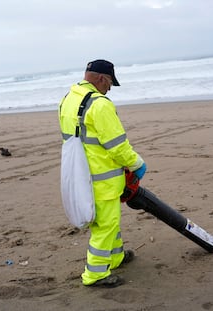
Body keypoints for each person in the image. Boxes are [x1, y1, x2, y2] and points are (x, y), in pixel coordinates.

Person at [58, 59, 147, 288]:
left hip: (83, 175)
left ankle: (115, 257)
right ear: (101, 79)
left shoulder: (69, 99)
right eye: (110, 83)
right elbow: (117, 145)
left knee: (110, 221)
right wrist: (137, 164)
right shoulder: (100, 105)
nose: (109, 89)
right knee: (105, 226)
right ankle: (96, 274)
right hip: (103, 177)